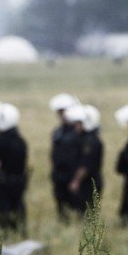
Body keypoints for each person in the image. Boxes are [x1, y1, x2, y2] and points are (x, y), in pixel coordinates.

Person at [0, 102, 28, 237]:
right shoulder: (21, 140)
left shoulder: (1, 141)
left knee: (1, 216)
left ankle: (3, 240)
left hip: (3, 185)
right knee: (17, 212)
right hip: (19, 183)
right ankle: (19, 237)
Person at [49, 93, 81, 222]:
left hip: (73, 175)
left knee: (78, 207)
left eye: (63, 112)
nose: (61, 115)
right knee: (62, 207)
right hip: (59, 176)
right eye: (59, 112)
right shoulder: (57, 132)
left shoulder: (79, 131)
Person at [66, 104, 104, 214]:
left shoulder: (91, 141)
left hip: (89, 183)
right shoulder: (84, 139)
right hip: (86, 182)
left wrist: (76, 181)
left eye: (79, 123)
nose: (76, 126)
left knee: (88, 212)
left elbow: (86, 164)